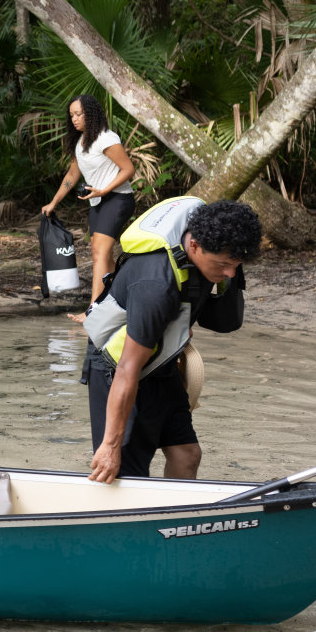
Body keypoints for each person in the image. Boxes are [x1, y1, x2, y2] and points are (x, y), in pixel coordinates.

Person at [80, 198, 262, 482]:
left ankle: (176, 522)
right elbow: (128, 368)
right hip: (116, 369)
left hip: (160, 363)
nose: (229, 273)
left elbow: (225, 320)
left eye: (236, 265)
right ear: (194, 246)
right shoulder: (156, 284)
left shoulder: (211, 240)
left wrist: (231, 270)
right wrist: (110, 446)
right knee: (122, 472)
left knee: (187, 454)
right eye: (224, 264)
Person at [41, 94, 136, 298]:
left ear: (90, 114)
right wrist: (53, 202)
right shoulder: (81, 141)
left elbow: (128, 169)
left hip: (118, 199)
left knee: (100, 253)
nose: (74, 119)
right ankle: (118, 296)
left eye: (78, 114)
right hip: (98, 201)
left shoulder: (106, 138)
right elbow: (73, 174)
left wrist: (104, 189)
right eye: (71, 115)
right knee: (99, 253)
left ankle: (93, 309)